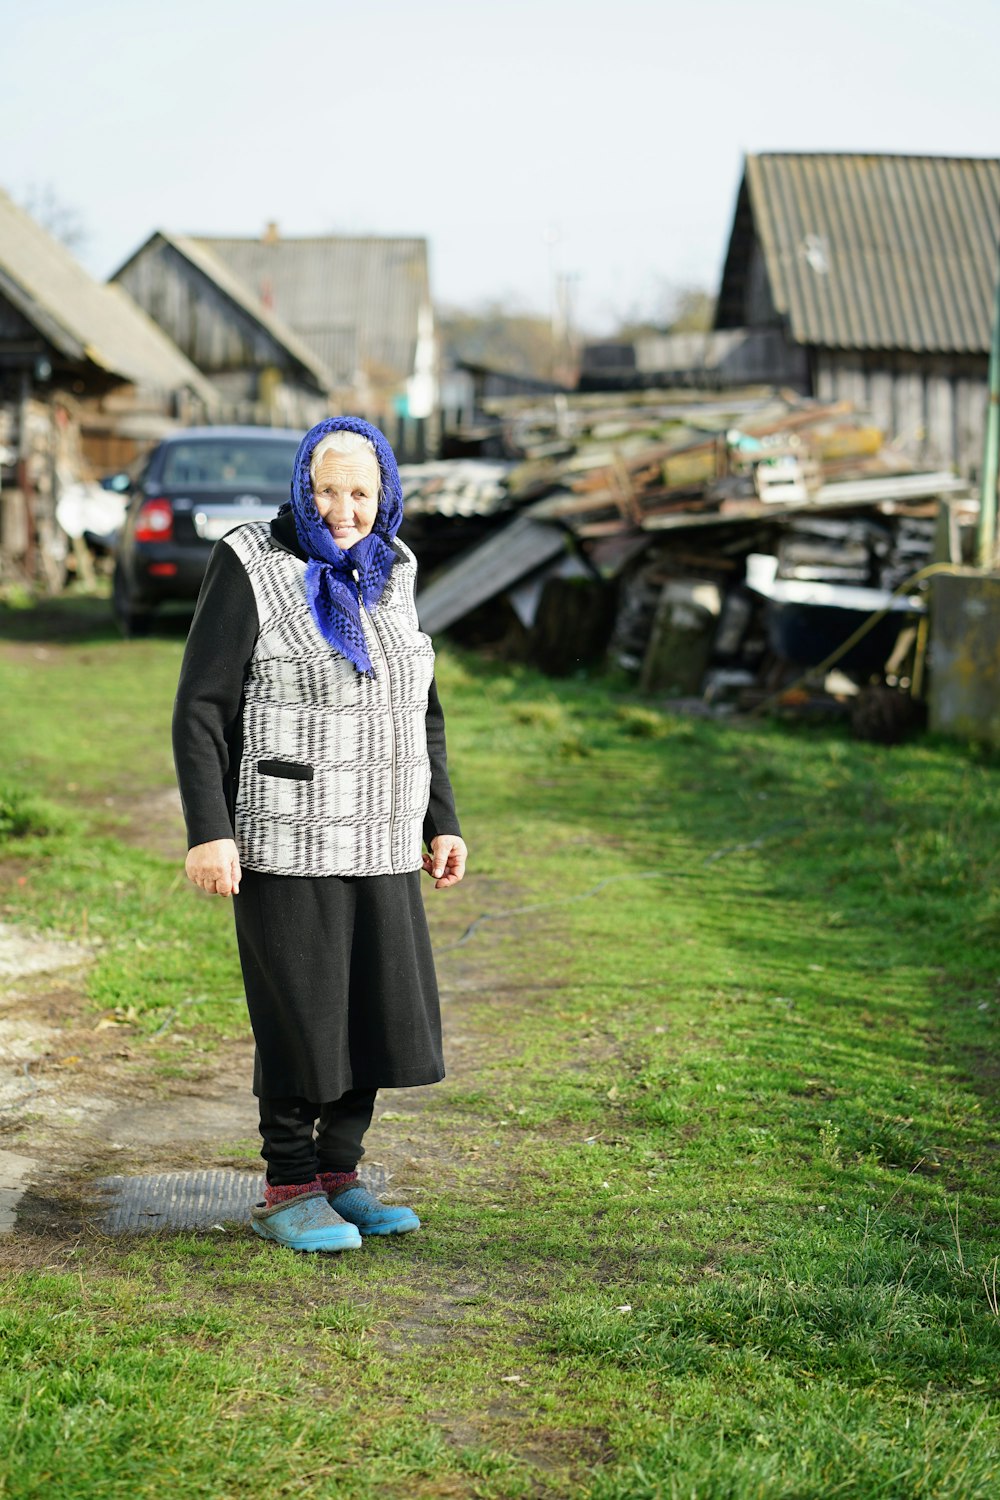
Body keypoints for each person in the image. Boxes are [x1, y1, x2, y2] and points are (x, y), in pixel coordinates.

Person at [172, 416, 466, 1253]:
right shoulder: (250, 560)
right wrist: (208, 830)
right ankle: (288, 1185)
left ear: (386, 496)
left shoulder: (395, 568)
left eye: (360, 492)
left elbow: (421, 706)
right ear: (302, 486)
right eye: (326, 489)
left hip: (379, 831)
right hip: (286, 833)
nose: (343, 509)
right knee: (303, 1014)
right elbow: (201, 707)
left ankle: (340, 1177)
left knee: (375, 1013)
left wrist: (442, 819)